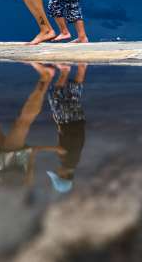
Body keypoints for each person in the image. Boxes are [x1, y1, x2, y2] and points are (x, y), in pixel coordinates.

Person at [46, 63, 87, 193]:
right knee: (55, 95)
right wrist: (38, 149)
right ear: (63, 175)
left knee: (74, 95)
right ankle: (64, 71)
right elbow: (61, 148)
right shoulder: (66, 161)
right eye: (57, 173)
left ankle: (82, 66)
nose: (56, 170)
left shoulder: (75, 161)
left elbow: (72, 139)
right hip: (66, 120)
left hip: (78, 120)